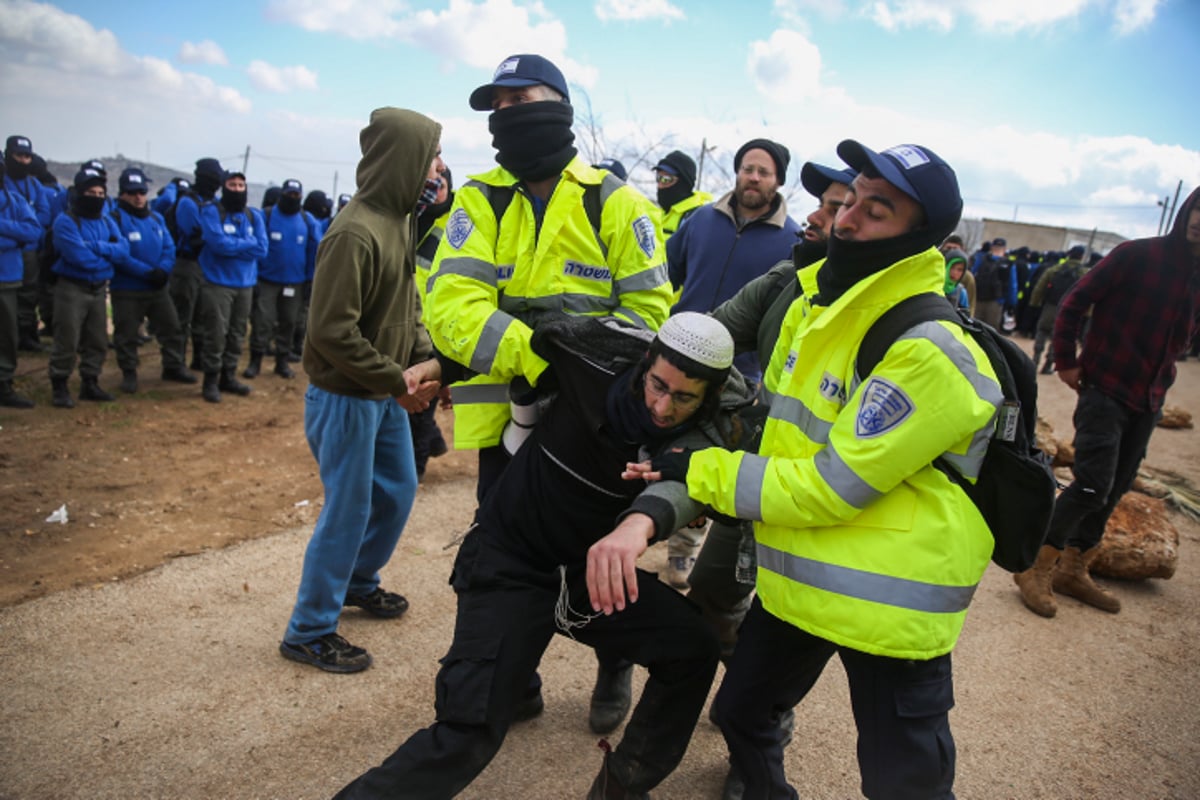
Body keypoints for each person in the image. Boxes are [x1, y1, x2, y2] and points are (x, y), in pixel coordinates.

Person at [631, 140, 1003, 799]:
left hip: (889, 600)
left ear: (921, 238)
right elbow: (773, 427)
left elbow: (831, 486)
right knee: (742, 715)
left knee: (904, 784)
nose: (849, 218)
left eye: (876, 210)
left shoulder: (929, 350)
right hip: (799, 578)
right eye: (850, 199)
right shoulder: (815, 307)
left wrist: (698, 471)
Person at [332, 311, 743, 800]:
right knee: (469, 732)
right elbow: (507, 342)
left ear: (708, 398)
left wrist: (658, 517)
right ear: (646, 362)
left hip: (587, 578)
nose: (661, 405)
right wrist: (437, 367)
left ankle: (622, 787)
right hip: (511, 564)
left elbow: (712, 484)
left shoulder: (717, 428)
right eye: (657, 385)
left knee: (694, 648)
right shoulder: (588, 356)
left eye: (682, 398)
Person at [424, 53, 673, 731]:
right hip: (504, 428)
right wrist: (532, 350)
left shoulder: (616, 203)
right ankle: (517, 675)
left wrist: (572, 357)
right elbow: (450, 304)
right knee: (502, 563)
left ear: (558, 105)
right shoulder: (480, 199)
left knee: (596, 556)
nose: (507, 114)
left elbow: (651, 316)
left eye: (520, 99)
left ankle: (613, 665)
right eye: (496, 106)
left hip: (589, 430)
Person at [280, 107, 444, 673]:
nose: (437, 170)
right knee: (346, 511)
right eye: (429, 157)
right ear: (404, 159)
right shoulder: (353, 231)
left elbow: (408, 304)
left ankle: (356, 581)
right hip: (347, 397)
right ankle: (308, 630)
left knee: (396, 491)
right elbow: (329, 332)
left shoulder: (398, 218)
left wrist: (423, 359)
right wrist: (394, 378)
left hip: (381, 396)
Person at [685, 159, 855, 660]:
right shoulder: (789, 279)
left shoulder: (897, 318)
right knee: (713, 594)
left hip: (828, 506)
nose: (818, 218)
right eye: (822, 205)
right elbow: (704, 341)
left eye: (835, 208)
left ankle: (759, 712)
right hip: (758, 481)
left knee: (788, 632)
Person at [1012, 187, 1200, 619]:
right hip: (1104, 387)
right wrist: (1066, 361)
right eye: (1196, 208)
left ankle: (1074, 568)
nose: (1198, 219)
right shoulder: (1139, 255)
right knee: (1093, 482)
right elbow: (1075, 302)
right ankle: (1033, 567)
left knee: (1115, 485)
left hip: (1150, 397)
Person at [663, 137, 801, 588]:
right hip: (676, 357)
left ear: (778, 180)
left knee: (706, 458)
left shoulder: (793, 241)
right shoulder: (700, 220)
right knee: (660, 442)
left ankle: (684, 550)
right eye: (747, 168)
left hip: (739, 377)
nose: (754, 177)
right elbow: (672, 271)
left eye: (763, 171)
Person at [47, 167, 130, 408]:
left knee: (97, 339)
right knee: (67, 338)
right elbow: (78, 257)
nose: (96, 197)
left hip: (98, 288)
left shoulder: (106, 220)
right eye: (90, 192)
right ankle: (60, 384)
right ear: (79, 193)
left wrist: (97, 247)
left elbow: (124, 250)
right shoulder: (66, 221)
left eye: (100, 192)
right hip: (72, 288)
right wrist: (108, 254)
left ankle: (90, 382)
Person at [108, 167, 191, 393]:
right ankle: (129, 373)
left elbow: (169, 246)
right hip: (128, 288)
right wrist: (146, 272)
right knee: (127, 334)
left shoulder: (156, 217)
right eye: (132, 192)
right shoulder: (114, 218)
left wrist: (163, 270)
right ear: (122, 193)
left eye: (142, 192)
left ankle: (173, 366)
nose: (138, 197)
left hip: (158, 287)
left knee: (172, 328)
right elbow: (119, 254)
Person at [194, 167, 267, 402]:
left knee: (237, 333)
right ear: (224, 187)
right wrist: (247, 243)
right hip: (218, 284)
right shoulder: (211, 211)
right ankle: (211, 381)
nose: (236, 189)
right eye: (232, 185)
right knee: (216, 333)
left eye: (240, 186)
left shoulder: (253, 215)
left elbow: (262, 249)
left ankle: (229, 376)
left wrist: (236, 245)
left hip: (245, 284)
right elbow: (218, 245)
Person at [243, 178, 320, 380]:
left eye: (296, 195)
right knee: (263, 321)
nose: (292, 198)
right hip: (267, 280)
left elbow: (315, 251)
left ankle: (282, 362)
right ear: (282, 195)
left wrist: (310, 280)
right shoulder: (267, 216)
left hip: (295, 282)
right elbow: (257, 247)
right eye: (289, 194)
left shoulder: (306, 220)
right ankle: (255, 361)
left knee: (289, 322)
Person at [169, 158, 224, 373]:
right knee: (182, 316)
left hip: (206, 265)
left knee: (203, 315)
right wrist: (215, 237)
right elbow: (195, 232)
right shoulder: (188, 202)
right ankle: (174, 363)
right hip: (187, 264)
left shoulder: (213, 203)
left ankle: (199, 358)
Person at [0, 158, 44, 407]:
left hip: (7, 279)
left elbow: (32, 232)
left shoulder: (14, 200)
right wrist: (12, 240)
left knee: (7, 333)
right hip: (10, 266)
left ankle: (4, 382)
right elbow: (21, 235)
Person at [4, 135, 51, 352]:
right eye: (19, 155)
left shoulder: (35, 185)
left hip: (30, 250)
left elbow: (42, 217)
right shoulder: (3, 183)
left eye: (27, 156)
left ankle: (27, 334)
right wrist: (21, 228)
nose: (23, 161)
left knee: (29, 293)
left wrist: (22, 228)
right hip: (9, 252)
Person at [1029, 244, 1088, 375]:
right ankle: (1048, 364)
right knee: (1057, 336)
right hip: (1069, 311)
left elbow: (1039, 287)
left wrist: (1035, 303)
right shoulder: (1084, 273)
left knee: (1042, 331)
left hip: (1050, 306)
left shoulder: (1054, 269)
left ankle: (1035, 360)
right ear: (1082, 256)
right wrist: (1086, 313)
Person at [652, 150, 712, 241]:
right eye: (658, 178)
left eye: (666, 179)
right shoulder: (659, 213)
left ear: (683, 184)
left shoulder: (695, 219)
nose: (660, 185)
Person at [973, 237, 1007, 328]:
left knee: (976, 325)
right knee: (991, 328)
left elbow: (972, 273)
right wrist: (1011, 303)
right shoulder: (1007, 263)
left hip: (980, 297)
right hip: (995, 299)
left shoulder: (982, 258)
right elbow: (1012, 284)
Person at [940, 234, 975, 316]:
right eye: (948, 248)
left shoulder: (966, 279)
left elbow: (970, 304)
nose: (955, 273)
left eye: (955, 248)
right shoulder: (932, 273)